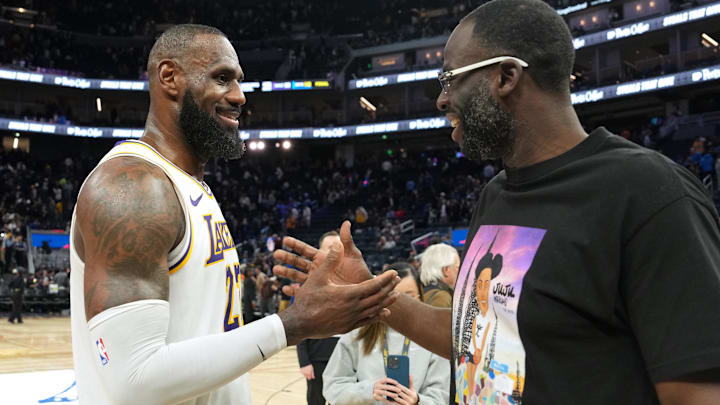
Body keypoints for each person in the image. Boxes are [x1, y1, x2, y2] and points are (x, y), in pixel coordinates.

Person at [273, 1, 720, 404]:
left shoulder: (648, 194)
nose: (441, 98)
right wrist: (370, 292)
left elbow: (696, 392)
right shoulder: (496, 194)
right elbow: (477, 338)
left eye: (449, 78)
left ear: (506, 76)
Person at [69, 24, 399, 405]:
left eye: (239, 81)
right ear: (169, 77)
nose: (240, 96)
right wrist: (291, 325)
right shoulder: (133, 187)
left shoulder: (189, 187)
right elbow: (133, 378)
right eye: (222, 78)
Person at [323, 262, 450, 405]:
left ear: (419, 297)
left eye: (409, 297)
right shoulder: (358, 333)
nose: (401, 306)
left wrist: (418, 401)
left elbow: (442, 396)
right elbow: (332, 386)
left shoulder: (432, 337)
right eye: (393, 298)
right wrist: (368, 391)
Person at [297, 231, 342, 405]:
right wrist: (304, 362)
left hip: (345, 358)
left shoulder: (354, 282)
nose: (335, 251)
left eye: (338, 247)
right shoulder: (309, 284)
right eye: (330, 248)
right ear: (320, 252)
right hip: (318, 359)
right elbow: (300, 325)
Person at [419, 243, 460, 308]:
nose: (460, 272)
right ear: (446, 270)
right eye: (458, 267)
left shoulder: (421, 293)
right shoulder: (442, 298)